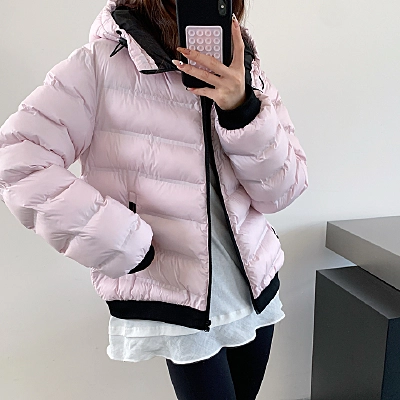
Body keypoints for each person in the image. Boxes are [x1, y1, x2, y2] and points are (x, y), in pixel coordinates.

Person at [0, 0, 308, 399]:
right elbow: (19, 161)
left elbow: (284, 189)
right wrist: (121, 241)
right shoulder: (99, 66)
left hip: (254, 288)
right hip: (174, 296)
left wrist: (242, 108)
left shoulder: (243, 68)